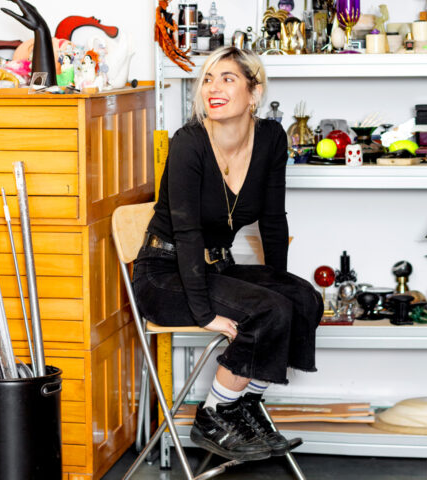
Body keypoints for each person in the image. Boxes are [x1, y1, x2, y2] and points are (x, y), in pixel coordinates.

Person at [133, 46, 323, 462]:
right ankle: (214, 415)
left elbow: (273, 220)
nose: (213, 88)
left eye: (227, 78)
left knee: (304, 299)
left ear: (255, 92)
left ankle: (245, 406)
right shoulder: (189, 143)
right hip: (164, 275)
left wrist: (280, 284)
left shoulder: (271, 138)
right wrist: (204, 313)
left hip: (216, 267)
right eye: (207, 79)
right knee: (270, 311)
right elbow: (186, 232)